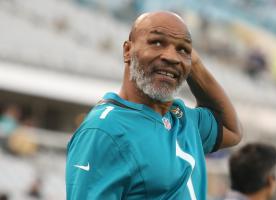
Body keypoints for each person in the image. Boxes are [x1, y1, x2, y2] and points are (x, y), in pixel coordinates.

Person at [66, 11, 242, 200]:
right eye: (157, 42)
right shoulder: (104, 130)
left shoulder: (181, 117)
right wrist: (183, 50)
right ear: (127, 51)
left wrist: (193, 62)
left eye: (183, 50)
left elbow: (231, 130)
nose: (171, 56)